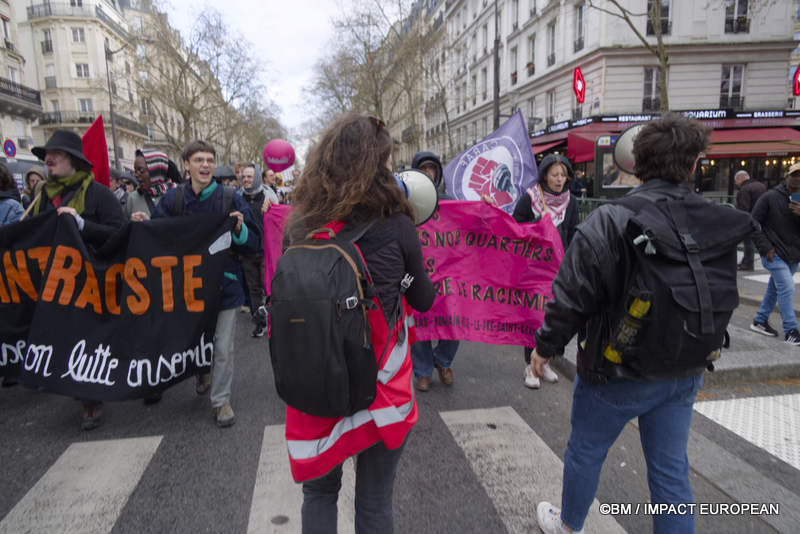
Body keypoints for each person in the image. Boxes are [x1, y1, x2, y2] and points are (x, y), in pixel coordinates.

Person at [531, 113, 715, 534]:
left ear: (634, 161)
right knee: (670, 472)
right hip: (685, 365)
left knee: (586, 450)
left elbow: (571, 295)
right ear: (693, 165)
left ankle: (568, 524)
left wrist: (545, 346)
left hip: (615, 369)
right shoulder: (710, 216)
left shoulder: (610, 219)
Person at [283, 113, 434, 533]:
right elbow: (422, 299)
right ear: (378, 166)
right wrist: (403, 278)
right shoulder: (399, 226)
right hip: (380, 386)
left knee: (317, 495)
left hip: (315, 380)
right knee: (373, 501)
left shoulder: (297, 226)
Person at [151, 140, 259, 427]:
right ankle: (202, 370)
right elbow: (156, 236)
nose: (205, 165)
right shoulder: (171, 201)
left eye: (209, 159)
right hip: (186, 287)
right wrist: (142, 226)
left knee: (223, 346)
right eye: (198, 159)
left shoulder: (230, 199)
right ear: (186, 164)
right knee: (195, 340)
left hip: (225, 286)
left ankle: (221, 400)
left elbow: (253, 243)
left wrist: (239, 229)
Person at [30, 129, 126, 430]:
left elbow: (117, 232)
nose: (48, 159)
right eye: (47, 155)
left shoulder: (99, 194)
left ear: (71, 159)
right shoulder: (41, 198)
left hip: (93, 279)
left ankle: (90, 399)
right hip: (55, 280)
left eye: (55, 154)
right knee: (65, 334)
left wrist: (81, 224)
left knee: (87, 335)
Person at [512, 153, 578, 389]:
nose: (559, 179)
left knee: (551, 316)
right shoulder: (530, 200)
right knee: (533, 317)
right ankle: (530, 366)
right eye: (554, 175)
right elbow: (515, 228)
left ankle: (545, 361)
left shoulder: (571, 202)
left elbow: (573, 234)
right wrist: (538, 224)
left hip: (559, 271)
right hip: (533, 270)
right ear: (545, 176)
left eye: (563, 175)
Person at [409, 150, 460, 392]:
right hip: (419, 272)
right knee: (420, 321)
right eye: (423, 169)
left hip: (448, 275)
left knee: (455, 320)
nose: (428, 173)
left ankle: (442, 360)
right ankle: (423, 371)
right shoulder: (406, 203)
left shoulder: (449, 200)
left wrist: (483, 206)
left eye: (432, 168)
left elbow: (471, 226)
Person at [749, 164, 800, 345]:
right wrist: (765, 248)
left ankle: (760, 320)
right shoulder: (770, 197)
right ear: (787, 176)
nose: (798, 178)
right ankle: (791, 330)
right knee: (786, 287)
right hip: (774, 253)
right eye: (795, 174)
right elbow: (753, 222)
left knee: (775, 288)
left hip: (794, 255)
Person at [239, 163, 269, 336]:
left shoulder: (268, 196)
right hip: (247, 253)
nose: (246, 180)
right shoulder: (237, 198)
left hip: (266, 252)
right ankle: (260, 323)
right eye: (244, 177)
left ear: (257, 177)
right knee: (254, 289)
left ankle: (274, 319)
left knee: (269, 287)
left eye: (250, 176)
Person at [734, 170, 767, 271]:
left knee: (748, 242)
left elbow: (744, 208)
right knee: (757, 241)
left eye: (736, 181)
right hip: (762, 218)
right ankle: (746, 261)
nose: (736, 184)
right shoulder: (761, 186)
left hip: (750, 219)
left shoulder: (744, 189)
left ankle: (748, 263)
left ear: (740, 179)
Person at [127, 149, 172, 221]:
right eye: (135, 171)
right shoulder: (132, 198)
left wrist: (149, 224)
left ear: (156, 170)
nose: (136, 175)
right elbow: (124, 227)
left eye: (141, 171)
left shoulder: (175, 195)